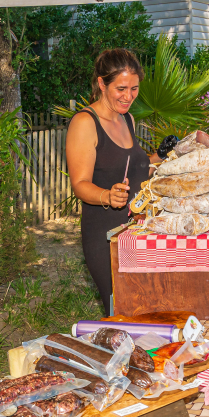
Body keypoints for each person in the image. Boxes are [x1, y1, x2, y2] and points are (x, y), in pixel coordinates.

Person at [66, 49, 172, 314]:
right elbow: (79, 184)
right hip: (105, 237)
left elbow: (133, 171)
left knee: (149, 309)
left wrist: (160, 156)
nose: (128, 97)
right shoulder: (84, 122)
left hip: (138, 231)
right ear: (102, 83)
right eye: (121, 88)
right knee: (123, 312)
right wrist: (106, 196)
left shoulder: (127, 118)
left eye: (134, 89)